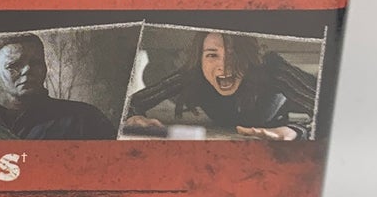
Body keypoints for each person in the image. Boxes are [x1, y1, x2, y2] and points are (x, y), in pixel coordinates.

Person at [123, 31, 316, 140]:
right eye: (212, 55)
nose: (223, 66)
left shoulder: (273, 71)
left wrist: (296, 131)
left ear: (248, 57)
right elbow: (131, 103)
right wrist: (133, 117)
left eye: (233, 54)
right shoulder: (194, 74)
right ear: (201, 60)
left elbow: (326, 113)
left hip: (298, 96)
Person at [0, 33, 114, 141]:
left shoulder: (84, 119)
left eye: (36, 63)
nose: (28, 70)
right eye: (14, 65)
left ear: (45, 69)